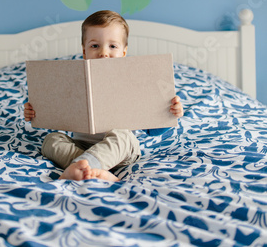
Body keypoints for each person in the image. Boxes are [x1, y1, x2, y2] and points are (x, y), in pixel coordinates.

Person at [24, 10, 183, 182]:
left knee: (121, 135)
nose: (103, 53)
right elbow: (54, 110)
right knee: (51, 139)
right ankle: (93, 169)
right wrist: (35, 111)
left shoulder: (133, 82)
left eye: (112, 46)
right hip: (82, 146)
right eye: (95, 46)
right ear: (84, 52)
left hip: (121, 151)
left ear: (123, 52)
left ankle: (80, 166)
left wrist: (170, 111)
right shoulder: (73, 80)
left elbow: (153, 129)